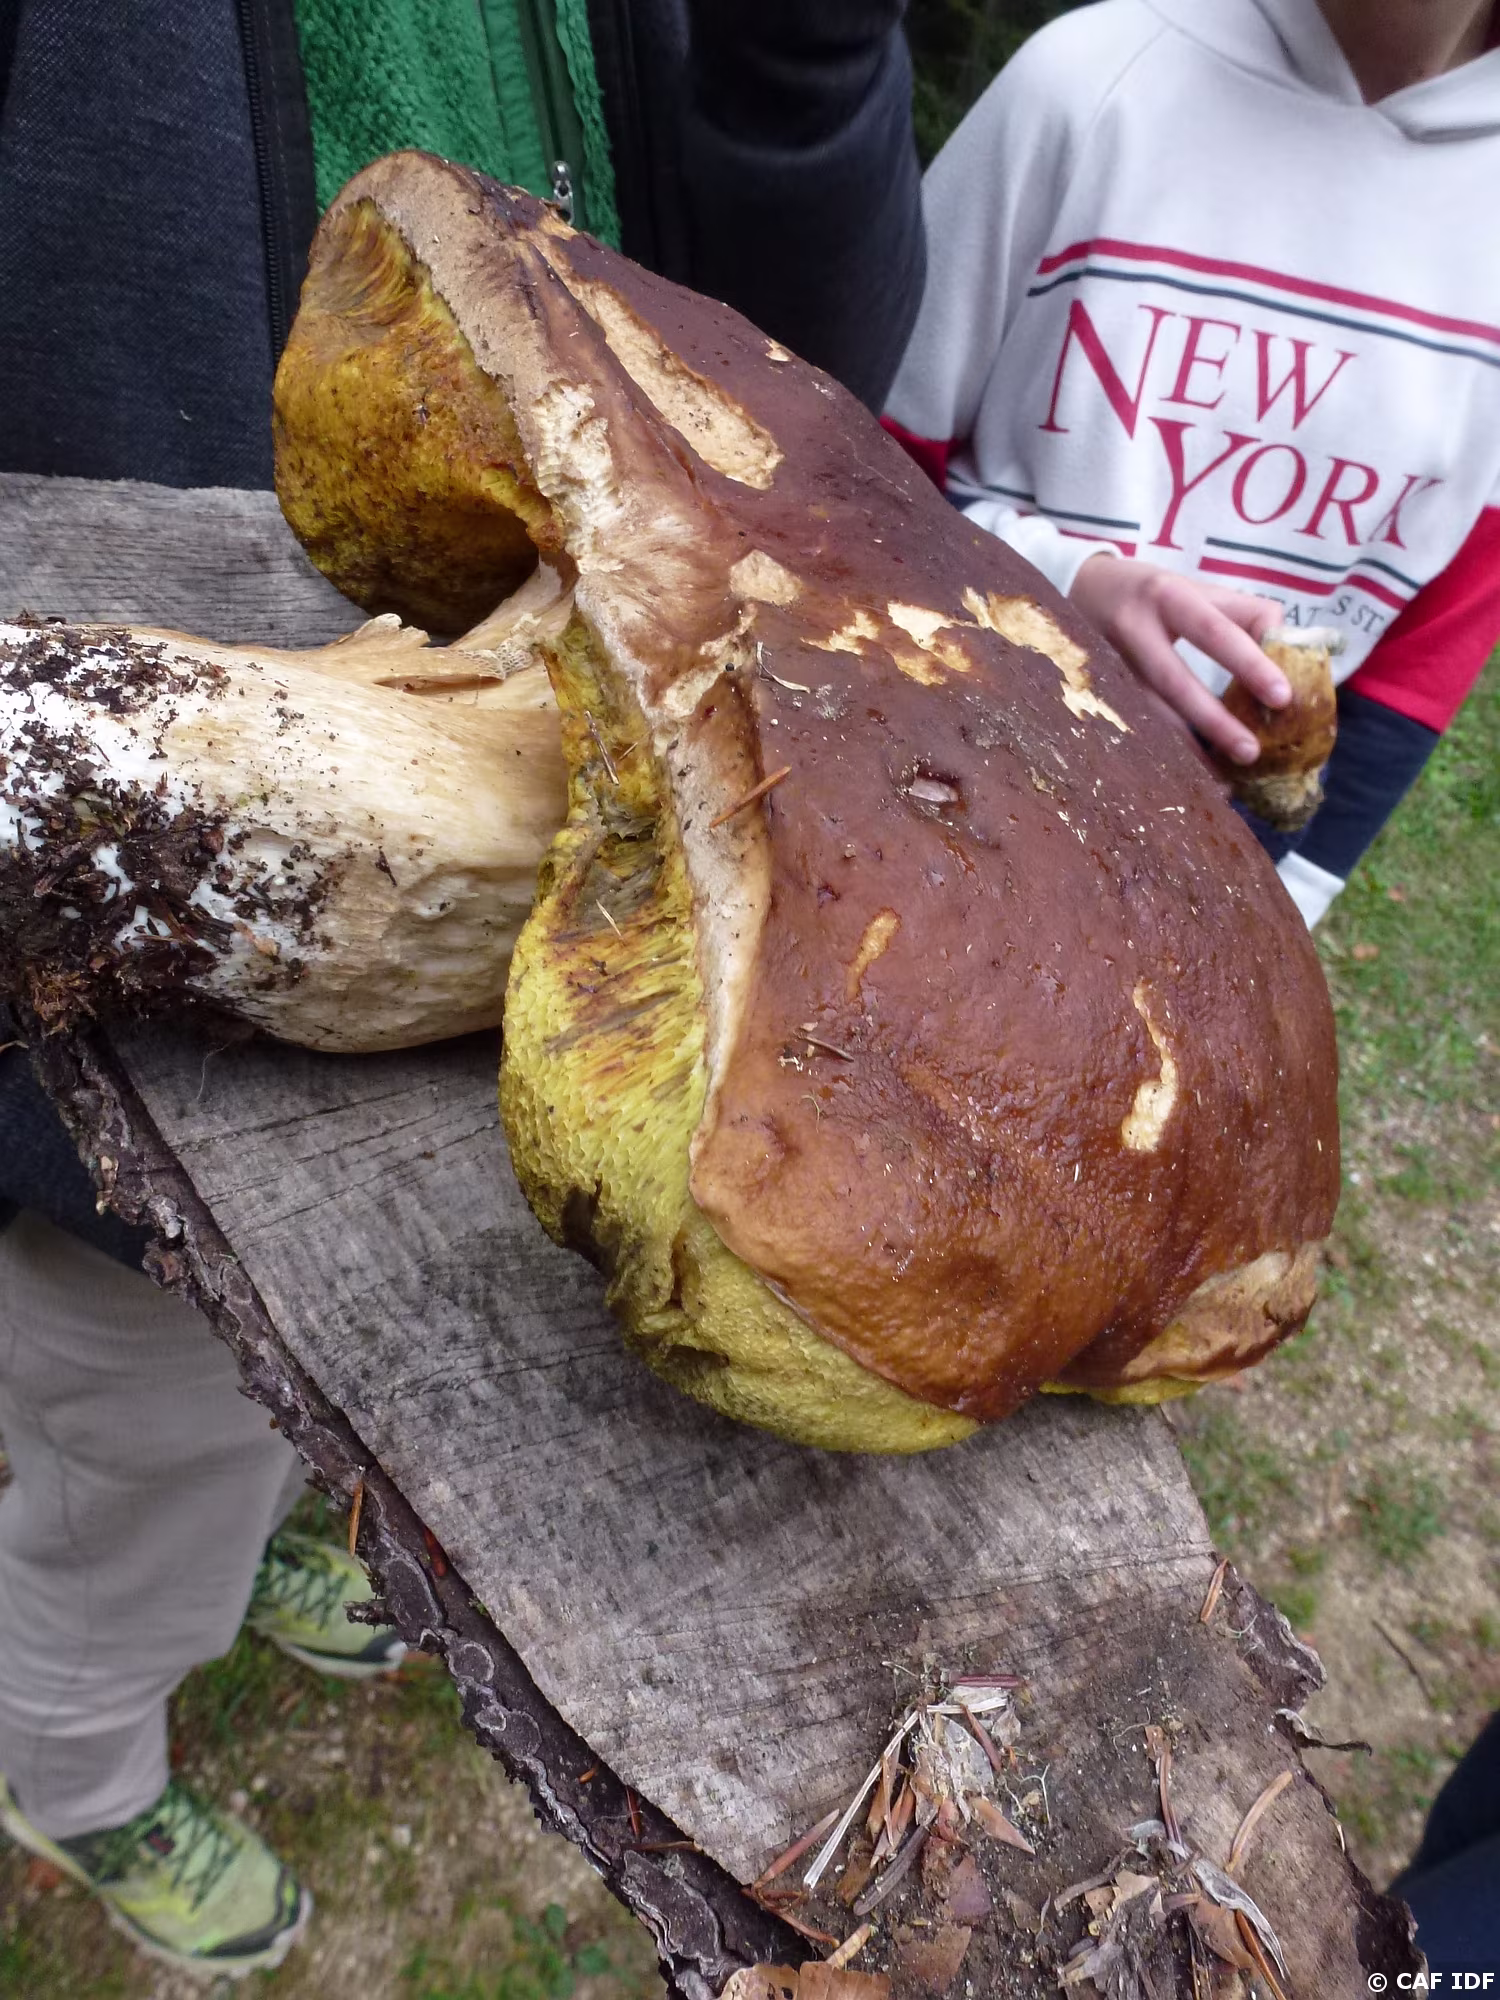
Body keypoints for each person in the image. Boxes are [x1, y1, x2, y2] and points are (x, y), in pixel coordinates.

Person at [0, 0, 924, 1976]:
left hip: (520, 961)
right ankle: (75, 1757)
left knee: (303, 1403)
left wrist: (811, 58)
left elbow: (807, 410)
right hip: (122, 1059)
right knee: (135, 1468)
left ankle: (256, 1560)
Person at [883, 0, 1500, 928]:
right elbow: (840, 470)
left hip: (1223, 848)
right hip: (931, 755)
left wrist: (1291, 901)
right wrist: (1055, 584)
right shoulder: (1092, 80)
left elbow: (1430, 647)